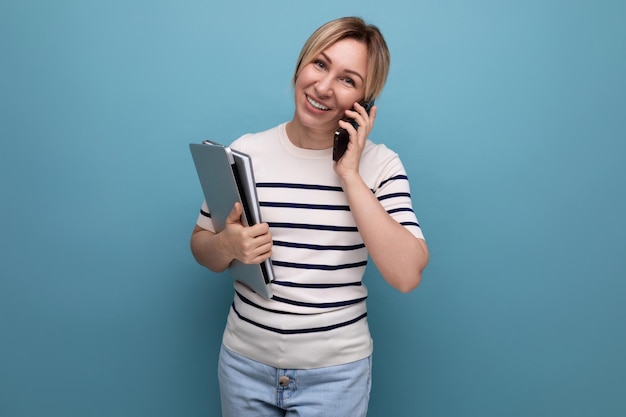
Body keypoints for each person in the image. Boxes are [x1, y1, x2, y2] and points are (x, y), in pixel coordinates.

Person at [190, 16, 429, 417]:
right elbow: (201, 247)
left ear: (365, 102)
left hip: (335, 376)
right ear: (301, 65)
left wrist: (349, 174)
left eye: (347, 79)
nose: (323, 87)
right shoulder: (245, 152)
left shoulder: (381, 166)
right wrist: (226, 245)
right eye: (319, 64)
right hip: (243, 366)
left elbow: (406, 275)